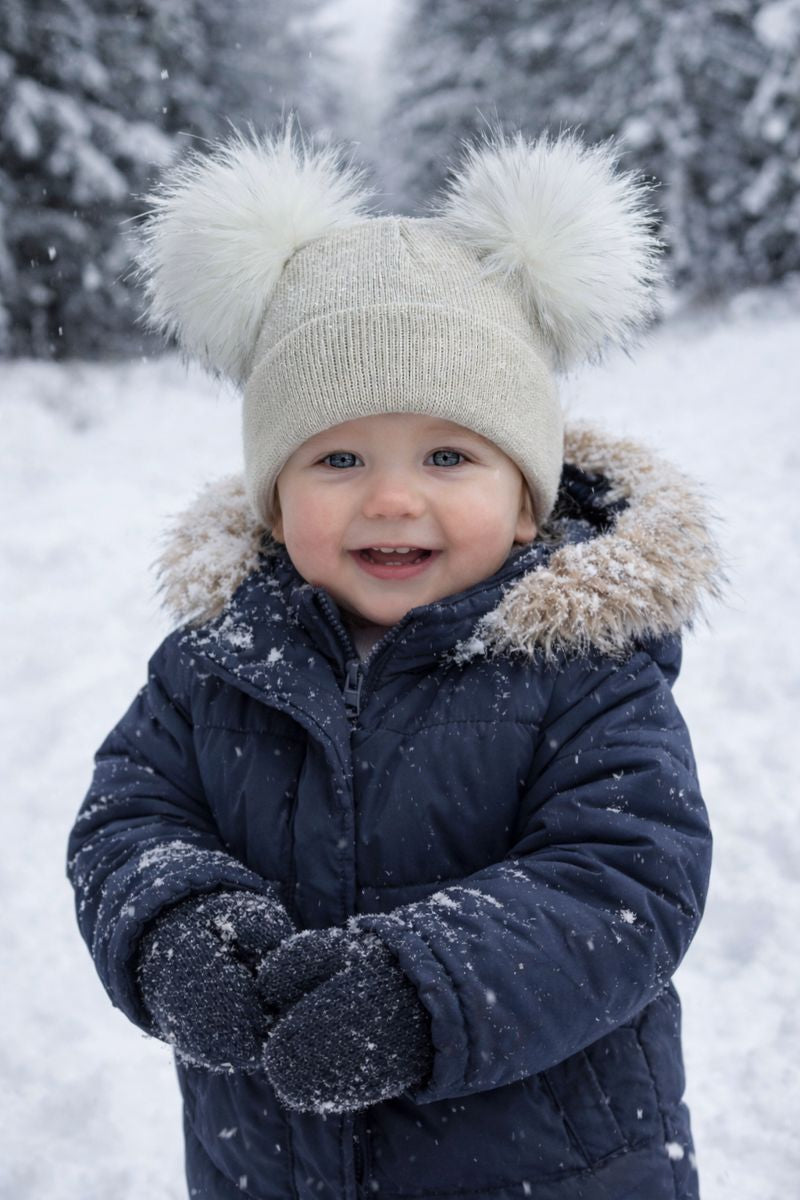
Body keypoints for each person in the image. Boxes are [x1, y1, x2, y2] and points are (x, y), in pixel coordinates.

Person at [66, 119, 725, 1200]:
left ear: (526, 501)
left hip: (543, 1169)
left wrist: (422, 991)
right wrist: (174, 926)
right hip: (269, 1166)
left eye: (447, 454)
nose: (389, 496)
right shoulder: (212, 662)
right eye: (335, 457)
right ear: (275, 503)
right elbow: (128, 820)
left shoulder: (583, 668)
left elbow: (623, 880)